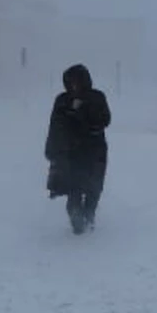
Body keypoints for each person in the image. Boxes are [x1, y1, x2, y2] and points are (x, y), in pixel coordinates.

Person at [44, 64, 111, 234]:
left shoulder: (96, 97)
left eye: (77, 81)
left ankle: (89, 215)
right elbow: (55, 125)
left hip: (95, 152)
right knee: (74, 187)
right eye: (71, 82)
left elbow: (104, 120)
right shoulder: (62, 100)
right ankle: (76, 219)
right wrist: (52, 149)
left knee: (94, 187)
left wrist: (82, 111)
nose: (74, 86)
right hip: (72, 152)